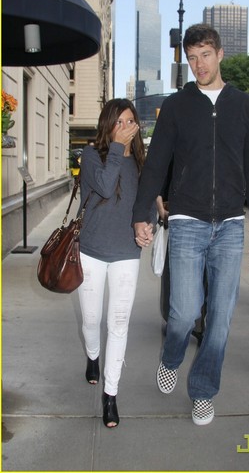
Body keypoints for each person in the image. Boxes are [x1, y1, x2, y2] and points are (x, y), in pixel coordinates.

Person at [132, 24, 249, 426]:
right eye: (191, 58)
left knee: (221, 319)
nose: (198, 65)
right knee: (183, 313)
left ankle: (204, 391)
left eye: (205, 55)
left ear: (221, 54)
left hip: (229, 224)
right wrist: (143, 213)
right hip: (188, 221)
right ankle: (172, 355)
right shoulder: (176, 107)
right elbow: (156, 164)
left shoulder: (245, 106)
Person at [77, 98, 153, 428]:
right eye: (118, 122)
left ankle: (111, 394)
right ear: (107, 125)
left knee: (118, 322)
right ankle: (93, 356)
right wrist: (119, 151)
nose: (125, 128)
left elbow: (147, 199)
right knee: (92, 319)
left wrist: (146, 225)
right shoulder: (92, 155)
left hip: (126, 253)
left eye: (130, 122)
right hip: (91, 249)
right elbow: (107, 186)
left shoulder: (139, 161)